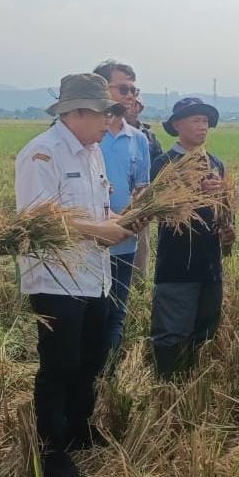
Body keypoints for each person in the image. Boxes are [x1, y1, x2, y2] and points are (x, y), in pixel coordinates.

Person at [15, 73, 136, 477]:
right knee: (59, 366)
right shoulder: (41, 154)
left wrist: (124, 221)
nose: (109, 122)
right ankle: (51, 450)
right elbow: (38, 220)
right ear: (77, 112)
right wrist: (101, 230)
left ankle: (79, 429)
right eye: (104, 113)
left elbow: (99, 211)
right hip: (57, 279)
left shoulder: (92, 152)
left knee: (90, 359)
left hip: (95, 276)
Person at [150, 97, 234, 379]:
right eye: (195, 120)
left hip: (210, 267)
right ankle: (168, 389)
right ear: (177, 125)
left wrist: (228, 231)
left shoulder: (215, 163)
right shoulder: (164, 164)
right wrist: (195, 190)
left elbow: (225, 210)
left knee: (204, 333)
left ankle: (193, 388)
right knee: (172, 334)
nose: (202, 126)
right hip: (176, 266)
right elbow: (159, 209)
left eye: (205, 121)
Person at [92, 60, 151, 363]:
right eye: (124, 89)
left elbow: (142, 186)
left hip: (126, 240)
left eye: (134, 90)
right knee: (91, 313)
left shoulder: (138, 139)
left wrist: (139, 210)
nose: (130, 96)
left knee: (117, 312)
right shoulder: (87, 134)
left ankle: (108, 376)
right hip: (88, 241)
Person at [125, 97, 160, 289]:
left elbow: (158, 169)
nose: (133, 107)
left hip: (141, 201)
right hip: (116, 201)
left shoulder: (148, 136)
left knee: (141, 246)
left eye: (136, 104)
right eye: (130, 104)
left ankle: (138, 288)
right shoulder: (104, 131)